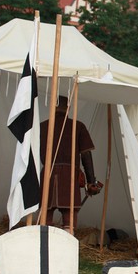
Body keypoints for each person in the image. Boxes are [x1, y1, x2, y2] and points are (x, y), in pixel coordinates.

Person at [40, 96, 101, 228]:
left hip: (47, 176)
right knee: (69, 218)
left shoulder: (42, 127)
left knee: (45, 218)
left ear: (53, 108)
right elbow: (86, 155)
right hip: (69, 177)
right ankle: (67, 242)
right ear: (68, 108)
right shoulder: (78, 126)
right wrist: (91, 181)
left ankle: (44, 243)